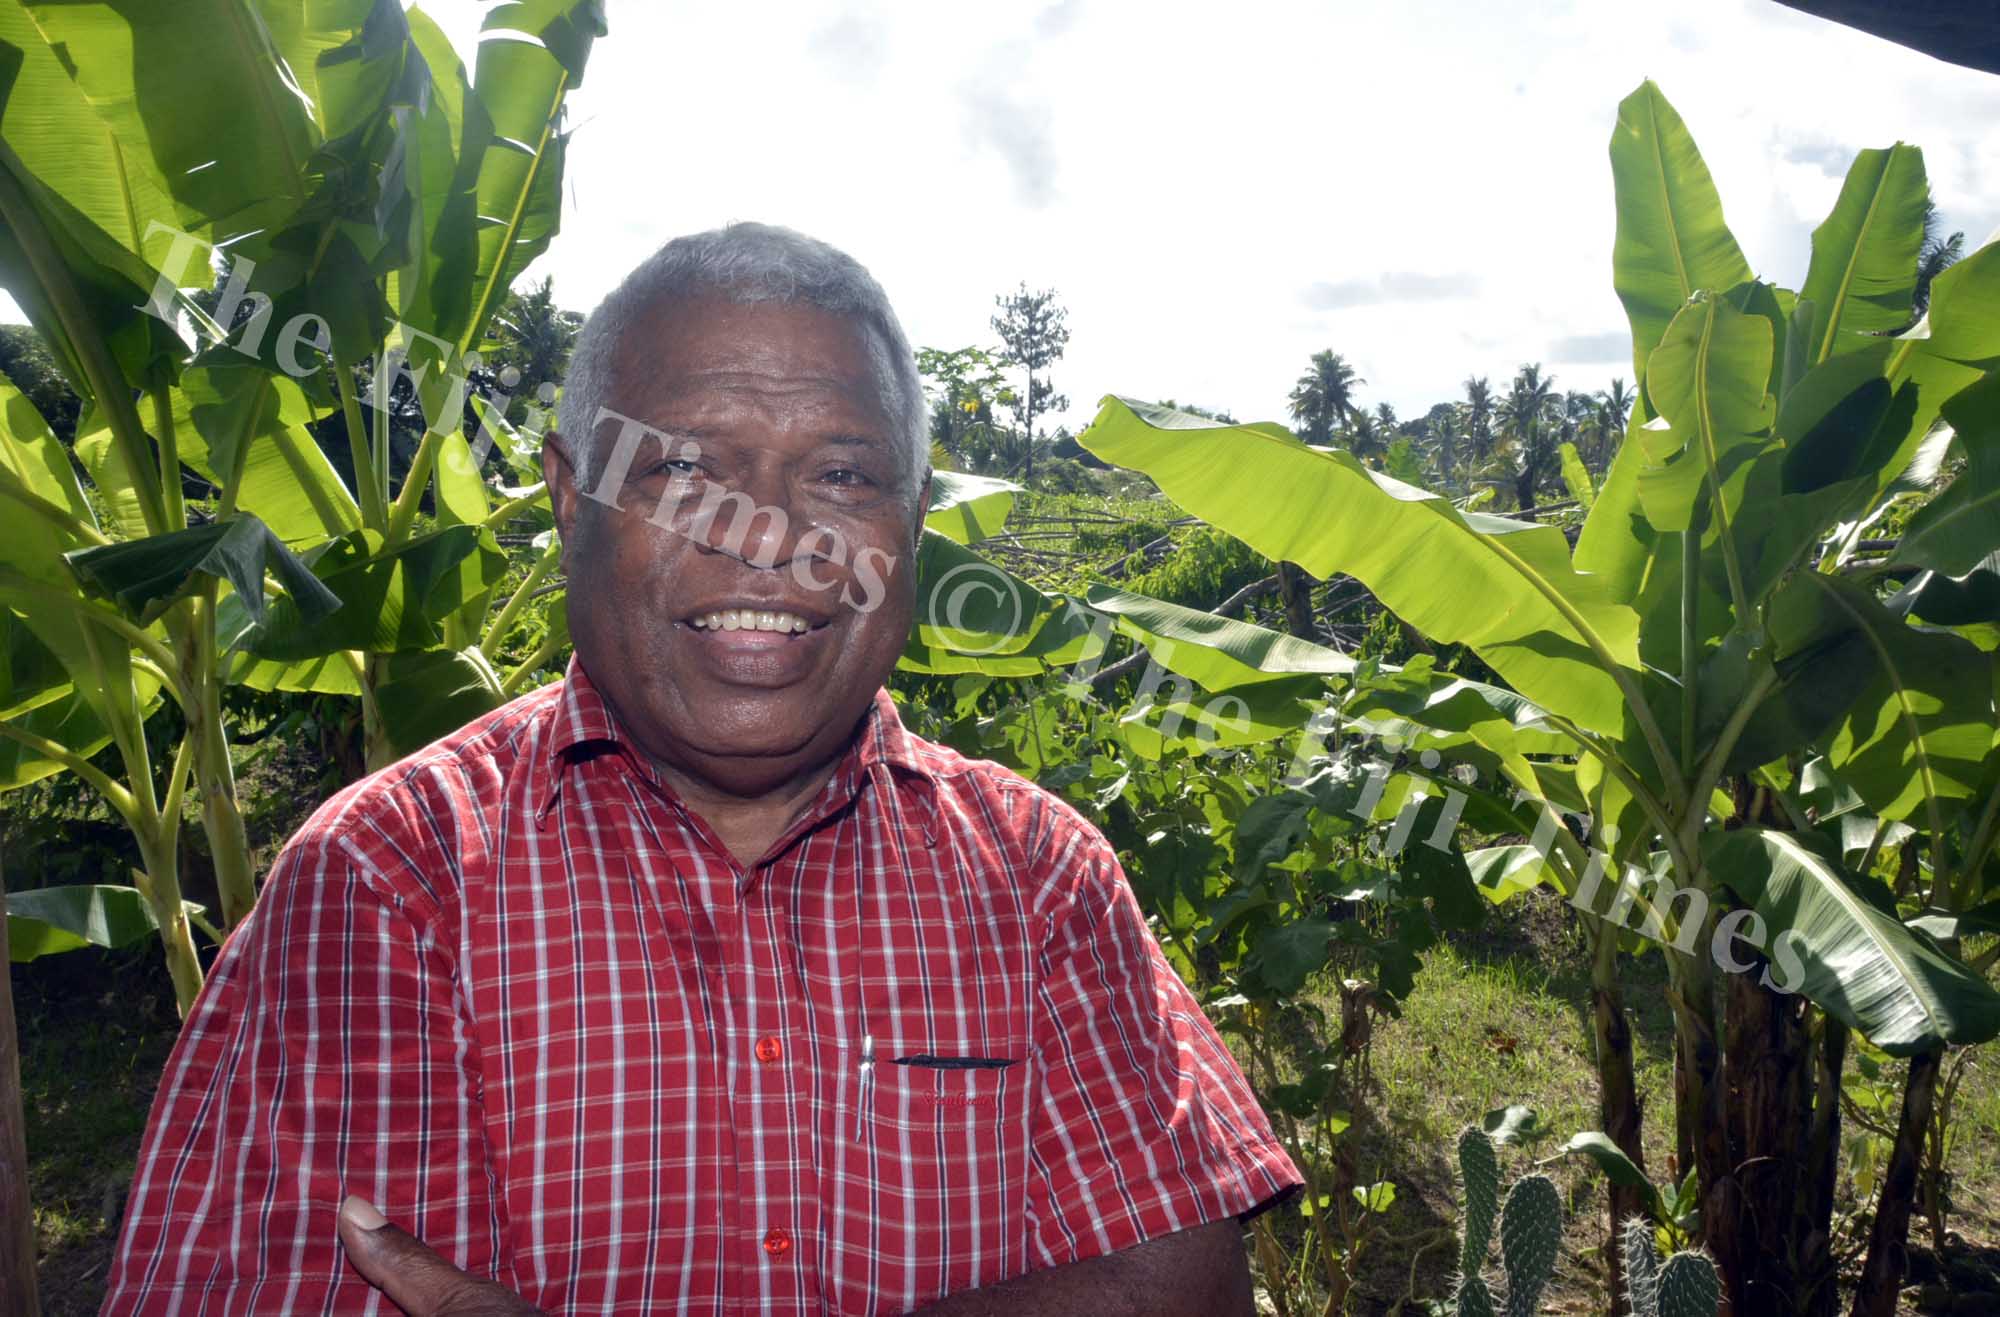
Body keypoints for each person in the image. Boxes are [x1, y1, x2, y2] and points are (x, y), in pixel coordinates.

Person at [104, 223, 1301, 1315]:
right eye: (679, 469)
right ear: (571, 501)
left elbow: (1179, 1286)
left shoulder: (1037, 873)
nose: (766, 535)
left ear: (913, 527)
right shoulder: (387, 880)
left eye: (840, 476)